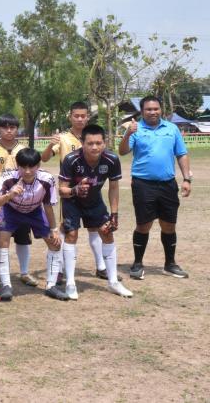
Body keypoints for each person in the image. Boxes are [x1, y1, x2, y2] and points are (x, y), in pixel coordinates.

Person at [119, 96, 192, 280]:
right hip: (143, 184)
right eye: (148, 109)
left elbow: (181, 154)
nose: (153, 112)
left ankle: (170, 264)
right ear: (142, 111)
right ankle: (137, 264)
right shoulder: (135, 128)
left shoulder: (171, 128)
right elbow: (123, 151)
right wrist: (128, 134)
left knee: (169, 224)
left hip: (168, 184)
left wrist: (186, 179)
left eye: (156, 109)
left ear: (161, 109)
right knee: (143, 225)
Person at [59, 125, 133, 299]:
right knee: (71, 235)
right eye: (90, 143)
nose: (94, 147)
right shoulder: (71, 160)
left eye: (98, 143)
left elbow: (113, 188)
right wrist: (75, 190)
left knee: (107, 232)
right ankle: (70, 283)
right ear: (82, 143)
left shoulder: (111, 159)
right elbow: (61, 190)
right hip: (72, 201)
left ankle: (113, 282)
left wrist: (114, 214)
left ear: (104, 143)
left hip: (94, 201)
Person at [42, 101, 111, 281]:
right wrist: (50, 145)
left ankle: (101, 266)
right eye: (76, 116)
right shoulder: (63, 138)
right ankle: (59, 268)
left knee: (95, 227)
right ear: (70, 117)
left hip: (92, 189)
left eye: (83, 116)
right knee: (67, 229)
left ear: (88, 117)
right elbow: (45, 158)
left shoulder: (93, 136)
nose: (80, 119)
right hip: (70, 190)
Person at [0, 148, 66, 301]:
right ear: (17, 165)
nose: (28, 171)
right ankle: (6, 285)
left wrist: (54, 229)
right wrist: (9, 194)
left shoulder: (47, 179)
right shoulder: (7, 177)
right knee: (2, 241)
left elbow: (48, 206)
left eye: (32, 167)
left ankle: (51, 286)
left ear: (38, 165)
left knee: (55, 244)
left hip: (35, 212)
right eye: (23, 167)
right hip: (11, 211)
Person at [0, 114, 37, 286]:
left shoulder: (23, 149)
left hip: (21, 203)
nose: (9, 131)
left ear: (17, 129)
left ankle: (24, 272)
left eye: (12, 127)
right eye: (5, 127)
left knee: (23, 239)